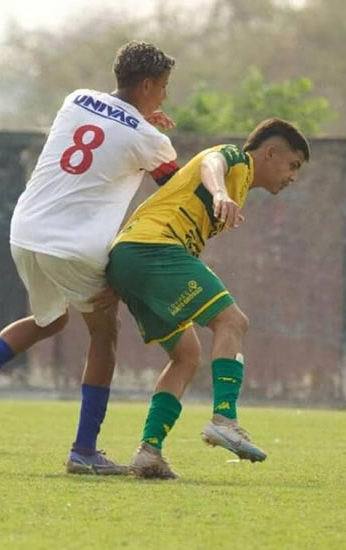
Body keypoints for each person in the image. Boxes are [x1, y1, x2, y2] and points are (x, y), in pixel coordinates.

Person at [0, 41, 178, 475]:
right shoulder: (149, 138)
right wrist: (152, 133)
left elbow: (102, 135)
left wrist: (141, 122)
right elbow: (175, 188)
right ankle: (84, 450)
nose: (164, 96)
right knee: (104, 332)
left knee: (50, 321)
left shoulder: (76, 99)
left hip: (26, 230)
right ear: (146, 85)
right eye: (162, 87)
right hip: (73, 244)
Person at [106, 118, 310, 478]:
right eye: (292, 165)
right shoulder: (236, 159)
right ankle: (224, 420)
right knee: (233, 321)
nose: (293, 176)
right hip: (151, 248)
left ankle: (149, 451)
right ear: (270, 153)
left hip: (127, 259)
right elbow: (210, 162)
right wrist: (218, 193)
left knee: (186, 355)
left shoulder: (241, 186)